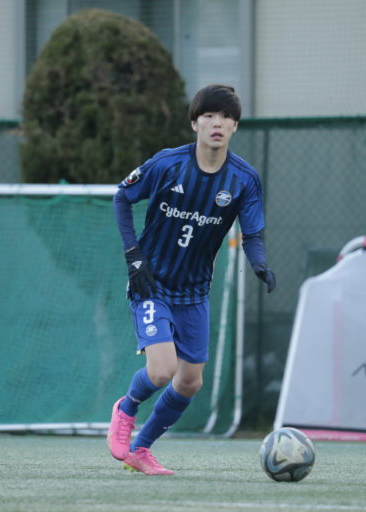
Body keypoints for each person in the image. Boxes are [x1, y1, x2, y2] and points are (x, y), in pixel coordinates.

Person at [108, 84, 275, 475]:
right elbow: (121, 197)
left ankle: (141, 450)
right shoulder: (168, 164)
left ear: (235, 126)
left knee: (189, 382)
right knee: (161, 370)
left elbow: (252, 235)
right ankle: (126, 409)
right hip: (151, 282)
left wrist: (260, 264)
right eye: (209, 116)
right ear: (195, 123)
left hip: (195, 292)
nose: (217, 123)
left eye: (226, 117)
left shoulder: (244, 179)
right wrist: (134, 258)